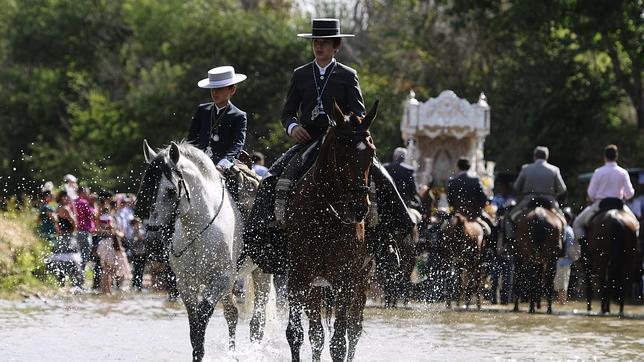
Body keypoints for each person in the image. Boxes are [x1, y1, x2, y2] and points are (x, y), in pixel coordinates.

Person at [244, 18, 414, 273]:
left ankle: (394, 236)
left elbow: (359, 112)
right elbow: (288, 112)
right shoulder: (300, 74)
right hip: (309, 141)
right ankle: (262, 238)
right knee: (271, 177)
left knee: (382, 178)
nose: (319, 47)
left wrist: (344, 127)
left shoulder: (348, 75)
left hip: (343, 143)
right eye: (316, 42)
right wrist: (293, 128)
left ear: (336, 46)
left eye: (324, 43)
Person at [187, 65, 247, 199]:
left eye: (219, 89)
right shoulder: (202, 110)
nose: (215, 92)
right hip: (198, 163)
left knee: (238, 196)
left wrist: (223, 164)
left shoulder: (239, 115)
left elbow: (237, 144)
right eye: (213, 89)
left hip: (224, 167)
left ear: (232, 90)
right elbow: (191, 139)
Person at [572, 144, 638, 242]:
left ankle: (585, 249)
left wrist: (592, 198)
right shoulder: (623, 172)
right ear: (616, 156)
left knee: (577, 224)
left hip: (600, 204)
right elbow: (629, 194)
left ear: (605, 157)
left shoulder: (598, 172)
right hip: (619, 204)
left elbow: (591, 193)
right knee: (636, 225)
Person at [507, 146, 567, 238]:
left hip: (528, 200)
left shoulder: (526, 168)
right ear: (547, 157)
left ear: (534, 156)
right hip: (549, 201)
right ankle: (563, 244)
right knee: (563, 221)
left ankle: (510, 239)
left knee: (510, 217)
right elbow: (562, 189)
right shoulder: (554, 170)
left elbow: (516, 187)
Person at [554, 208, 581, 304]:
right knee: (562, 286)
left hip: (558, 261)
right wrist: (575, 259)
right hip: (565, 261)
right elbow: (571, 248)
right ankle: (562, 304)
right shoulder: (570, 230)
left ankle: (560, 303)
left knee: (559, 286)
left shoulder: (561, 228)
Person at [74, 186, 95, 272]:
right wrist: (93, 204)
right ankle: (80, 274)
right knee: (85, 255)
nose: (88, 194)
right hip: (85, 231)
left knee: (79, 253)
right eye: (87, 192)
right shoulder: (84, 202)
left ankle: (77, 273)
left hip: (77, 231)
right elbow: (93, 214)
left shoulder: (74, 202)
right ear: (83, 193)